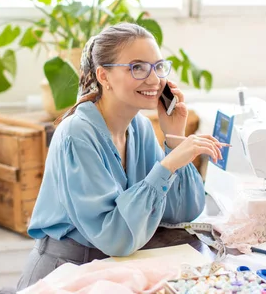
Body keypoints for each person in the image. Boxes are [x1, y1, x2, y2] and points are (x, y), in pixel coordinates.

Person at [17, 23, 224, 289]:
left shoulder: (139, 128)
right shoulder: (76, 136)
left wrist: (175, 138)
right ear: (103, 76)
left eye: (158, 67)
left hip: (114, 268)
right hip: (66, 273)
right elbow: (115, 237)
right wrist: (168, 164)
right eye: (137, 67)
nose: (154, 80)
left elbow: (181, 213)